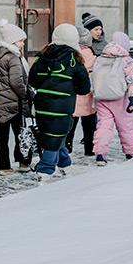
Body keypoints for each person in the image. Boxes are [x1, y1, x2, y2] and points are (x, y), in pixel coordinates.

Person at [29, 24, 91, 181]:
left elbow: (33, 80)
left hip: (42, 105)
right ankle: (45, 170)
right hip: (62, 107)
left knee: (54, 133)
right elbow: (84, 88)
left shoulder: (43, 56)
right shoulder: (74, 60)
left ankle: (65, 164)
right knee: (55, 136)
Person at [0, 20, 33, 172]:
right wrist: (26, 94)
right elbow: (16, 81)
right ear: (13, 41)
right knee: (22, 133)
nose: (22, 44)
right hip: (14, 102)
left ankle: (3, 166)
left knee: (2, 137)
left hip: (0, 101)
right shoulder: (13, 57)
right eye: (21, 41)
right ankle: (24, 162)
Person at [90, 32, 133, 165]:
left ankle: (100, 154)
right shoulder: (127, 60)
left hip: (101, 97)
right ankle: (131, 151)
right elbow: (132, 81)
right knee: (126, 125)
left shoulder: (101, 57)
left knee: (103, 126)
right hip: (120, 98)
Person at [66, 25, 98, 156]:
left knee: (71, 125)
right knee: (90, 125)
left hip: (75, 95)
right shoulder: (91, 53)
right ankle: (89, 149)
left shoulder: (73, 54)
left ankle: (67, 147)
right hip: (88, 94)